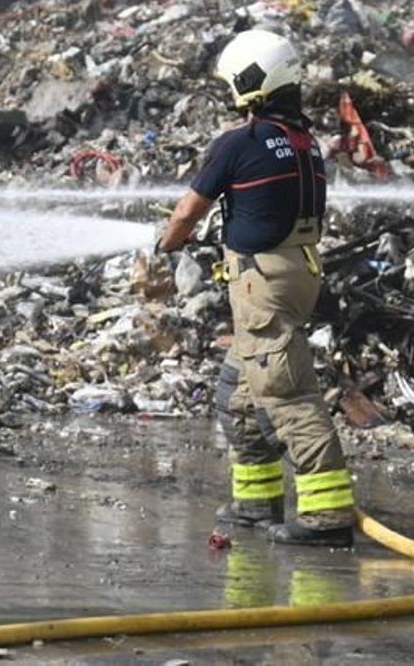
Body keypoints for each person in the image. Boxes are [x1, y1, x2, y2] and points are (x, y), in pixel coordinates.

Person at [155, 28, 356, 546]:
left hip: (263, 282)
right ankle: (255, 500)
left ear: (250, 83)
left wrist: (166, 245)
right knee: (240, 396)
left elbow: (186, 212)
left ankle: (326, 517)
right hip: (297, 271)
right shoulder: (304, 142)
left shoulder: (239, 142)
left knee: (286, 395)